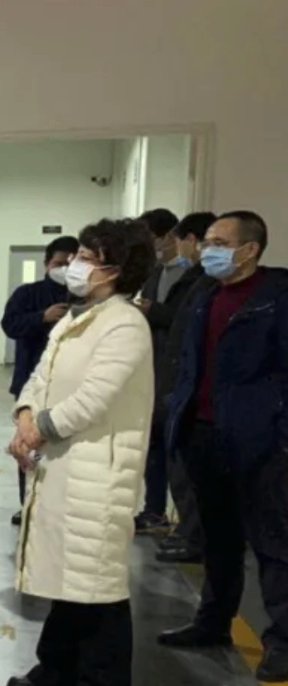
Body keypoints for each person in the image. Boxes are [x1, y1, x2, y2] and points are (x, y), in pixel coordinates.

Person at [6, 218, 156, 686]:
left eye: (89, 257)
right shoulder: (79, 316)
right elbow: (40, 376)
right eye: (79, 255)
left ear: (117, 269)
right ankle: (56, 672)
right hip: (63, 465)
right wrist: (25, 415)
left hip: (97, 472)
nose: (76, 264)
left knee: (97, 586)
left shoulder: (124, 324)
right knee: (66, 578)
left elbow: (95, 399)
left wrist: (37, 431)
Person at [157, 211, 288, 684]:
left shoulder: (277, 298)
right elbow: (184, 357)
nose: (206, 249)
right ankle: (213, 622)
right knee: (218, 539)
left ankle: (283, 641)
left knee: (273, 543)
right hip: (203, 433)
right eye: (207, 241)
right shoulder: (204, 294)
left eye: (218, 242)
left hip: (260, 440)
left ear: (250, 249)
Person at [149, 212, 216, 564]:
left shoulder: (207, 283)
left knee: (189, 470)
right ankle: (189, 533)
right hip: (175, 385)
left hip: (192, 392)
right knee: (179, 466)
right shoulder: (197, 281)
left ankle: (195, 538)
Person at [0, 235, 79, 523]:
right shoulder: (27, 293)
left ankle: (61, 507)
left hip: (71, 386)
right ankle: (28, 505)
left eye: (71, 263)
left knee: (66, 450)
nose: (64, 269)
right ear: (47, 264)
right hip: (30, 384)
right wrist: (41, 318)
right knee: (28, 445)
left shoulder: (83, 297)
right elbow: (10, 325)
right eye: (59, 263)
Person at [132, 208, 182, 534]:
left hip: (179, 373)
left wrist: (156, 311)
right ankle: (154, 510)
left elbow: (186, 322)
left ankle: (186, 522)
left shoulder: (195, 278)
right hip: (153, 370)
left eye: (151, 238)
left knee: (178, 449)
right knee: (153, 446)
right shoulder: (154, 275)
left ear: (169, 236)